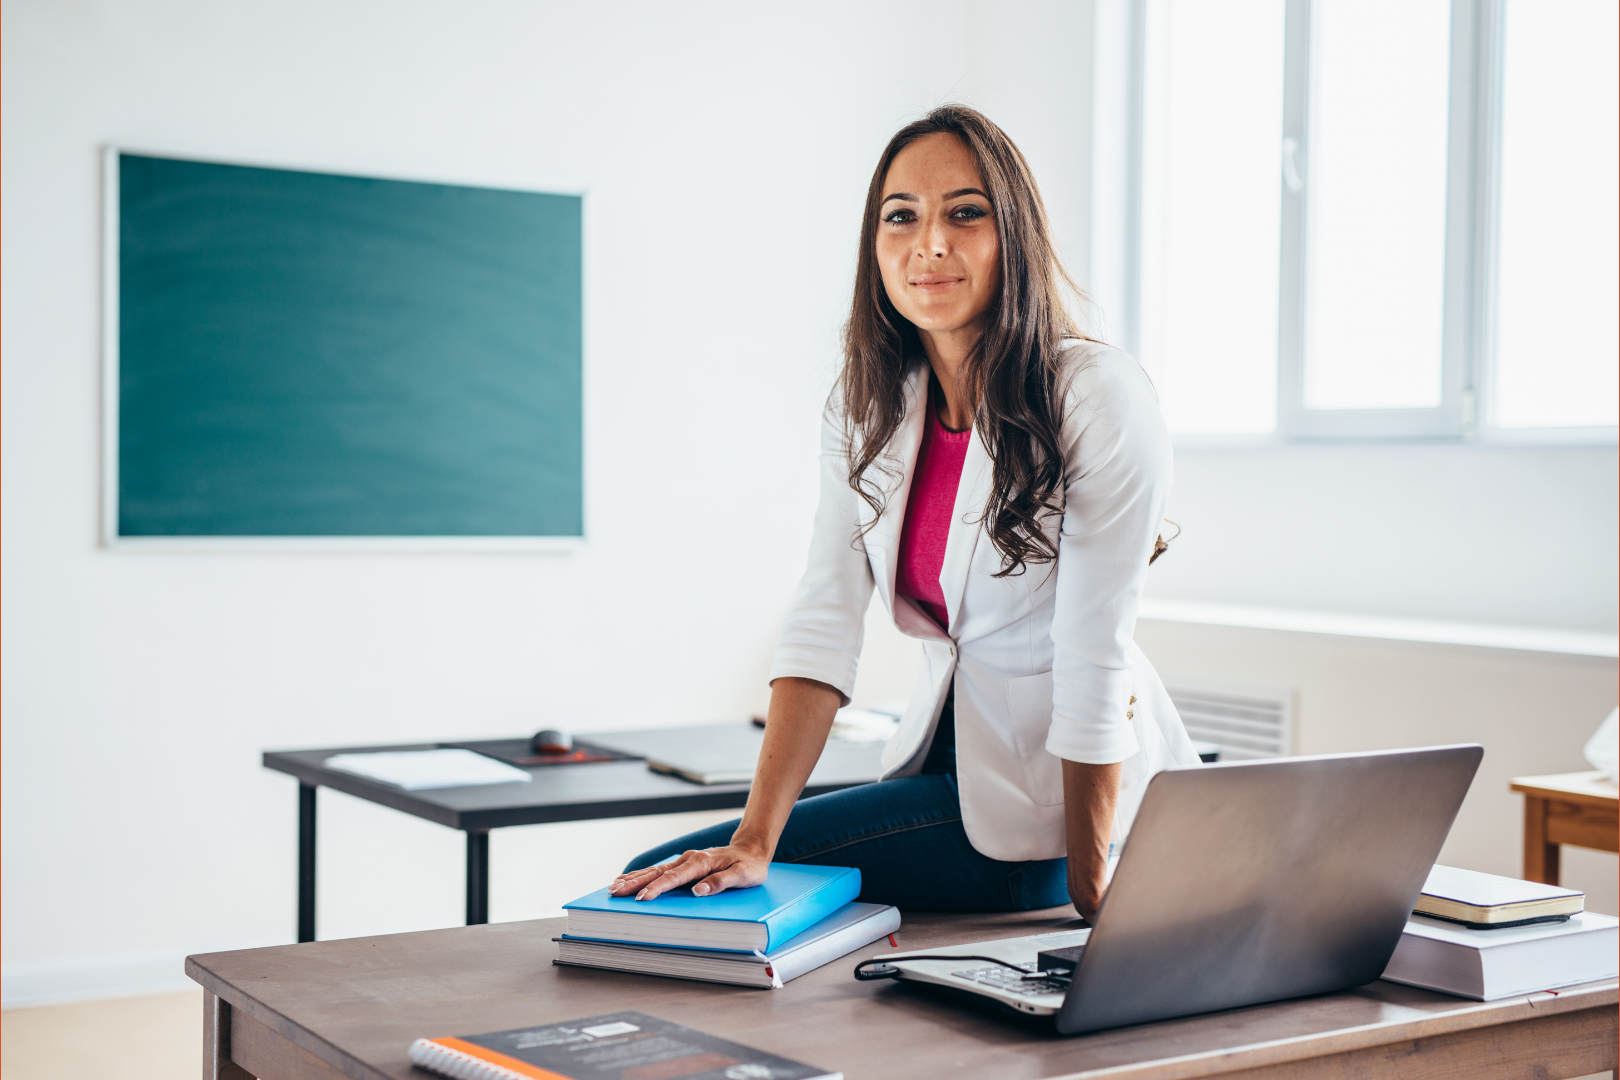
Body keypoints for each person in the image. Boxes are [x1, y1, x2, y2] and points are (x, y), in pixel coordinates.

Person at [611, 106, 1199, 920]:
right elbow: (824, 618)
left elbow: (1094, 651)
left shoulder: (1096, 395)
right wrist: (755, 837)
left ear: (1013, 235)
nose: (930, 243)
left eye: (965, 212)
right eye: (901, 217)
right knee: (674, 882)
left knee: (660, 889)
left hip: (1057, 819)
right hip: (941, 773)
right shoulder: (868, 408)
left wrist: (1095, 887)